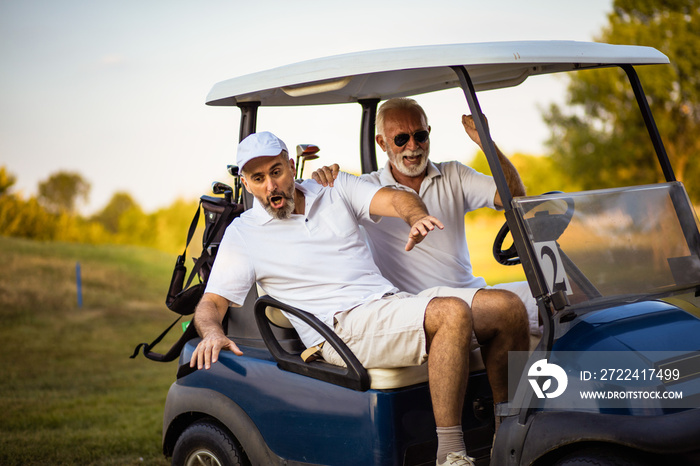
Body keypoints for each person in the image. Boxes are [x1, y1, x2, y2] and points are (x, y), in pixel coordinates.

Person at [190, 131, 526, 466]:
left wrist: (414, 216)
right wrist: (213, 333)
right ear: (246, 183)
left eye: (276, 172)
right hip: (336, 328)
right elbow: (210, 304)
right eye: (258, 178)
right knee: (450, 313)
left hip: (385, 303)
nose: (270, 187)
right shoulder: (243, 233)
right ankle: (451, 456)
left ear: (291, 166)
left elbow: (394, 198)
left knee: (507, 308)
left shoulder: (335, 189)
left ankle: (508, 437)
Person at [312, 97, 539, 339]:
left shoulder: (454, 173)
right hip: (421, 306)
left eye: (420, 135)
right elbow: (323, 215)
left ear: (428, 133)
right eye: (401, 139)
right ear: (382, 143)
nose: (413, 146)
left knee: (564, 291)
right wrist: (321, 179)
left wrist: (486, 142)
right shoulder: (369, 189)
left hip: (474, 292)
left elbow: (513, 196)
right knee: (505, 307)